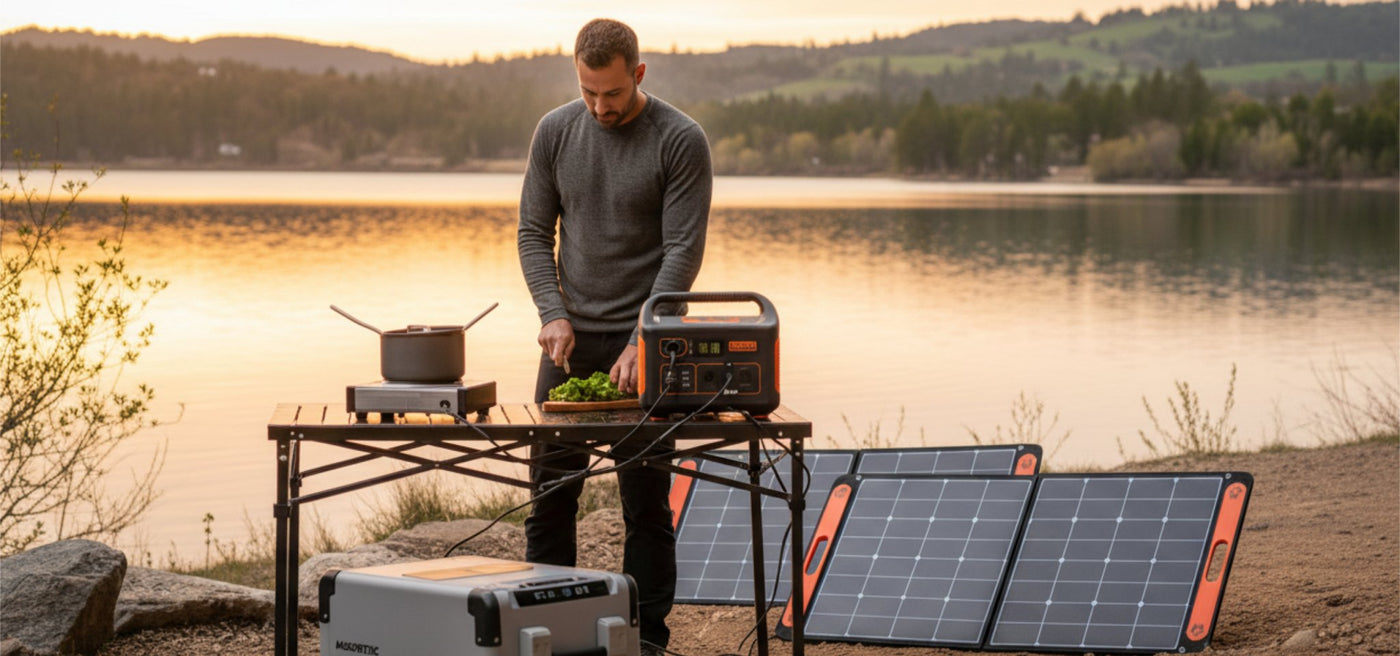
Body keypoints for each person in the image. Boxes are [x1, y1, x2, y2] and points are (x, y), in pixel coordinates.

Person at [515, 17, 713, 652]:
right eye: (588, 92)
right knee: (550, 500)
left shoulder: (681, 139)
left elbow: (682, 253)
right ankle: (547, 631)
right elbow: (531, 234)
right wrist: (552, 312)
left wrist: (642, 340)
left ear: (639, 75)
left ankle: (647, 637)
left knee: (647, 506)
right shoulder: (554, 131)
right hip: (569, 349)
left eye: (613, 94)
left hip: (647, 346)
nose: (600, 107)